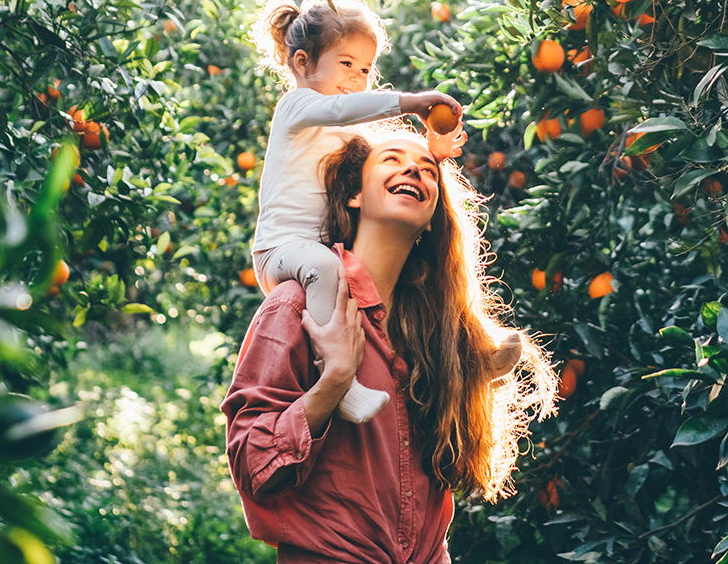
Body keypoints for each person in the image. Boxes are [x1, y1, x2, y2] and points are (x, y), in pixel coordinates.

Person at [223, 126, 559, 563]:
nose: (413, 171)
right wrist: (335, 381)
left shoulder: (439, 329)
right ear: (354, 195)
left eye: (428, 170)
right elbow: (252, 464)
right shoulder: (297, 305)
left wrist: (475, 375)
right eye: (392, 159)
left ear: (434, 212)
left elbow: (449, 465)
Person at [249, 0, 478, 423]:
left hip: (318, 254)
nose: (357, 79)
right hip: (281, 249)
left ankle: (473, 359)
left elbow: (390, 155)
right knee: (330, 271)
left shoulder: (343, 125)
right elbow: (342, 109)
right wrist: (411, 101)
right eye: (346, 63)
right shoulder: (297, 107)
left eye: (365, 69)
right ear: (302, 63)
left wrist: (434, 148)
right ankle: (341, 383)